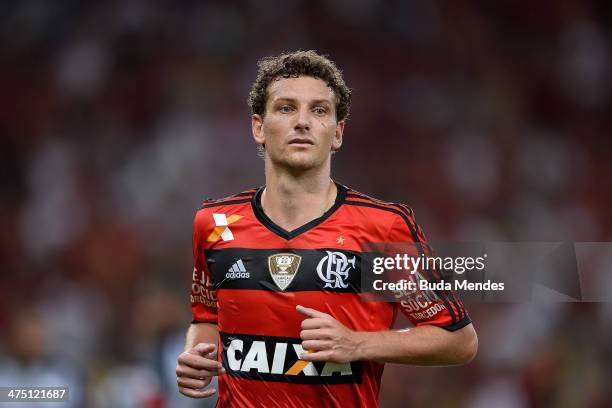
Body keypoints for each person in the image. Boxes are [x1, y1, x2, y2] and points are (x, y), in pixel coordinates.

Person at [176, 50, 478, 407]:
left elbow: (458, 340)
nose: (302, 122)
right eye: (286, 108)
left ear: (337, 133)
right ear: (258, 127)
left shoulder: (382, 228)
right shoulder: (214, 223)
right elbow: (207, 317)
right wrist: (196, 353)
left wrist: (357, 343)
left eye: (318, 111)